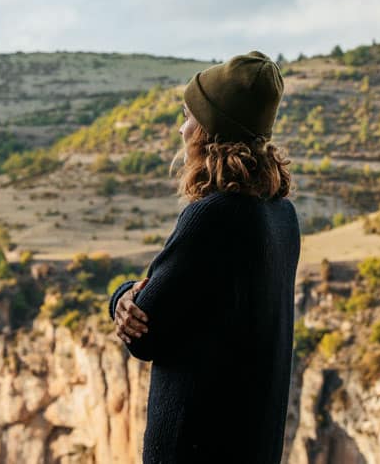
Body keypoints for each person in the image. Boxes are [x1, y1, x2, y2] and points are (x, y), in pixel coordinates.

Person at [107, 51, 301, 464]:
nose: (182, 129)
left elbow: (146, 334)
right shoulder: (281, 214)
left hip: (195, 445)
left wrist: (122, 297)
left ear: (210, 131)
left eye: (188, 116)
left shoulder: (213, 217)